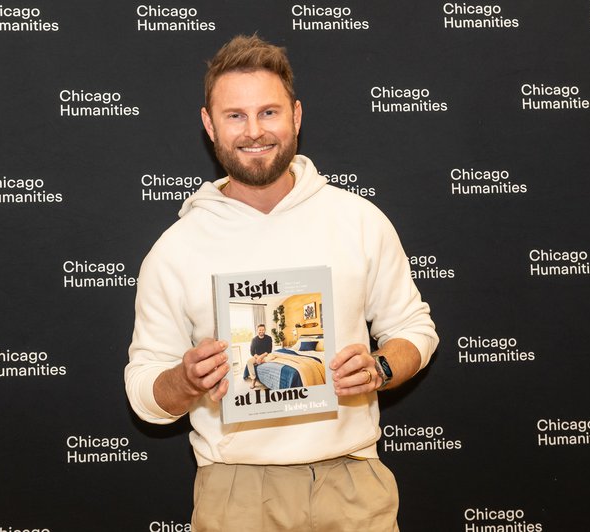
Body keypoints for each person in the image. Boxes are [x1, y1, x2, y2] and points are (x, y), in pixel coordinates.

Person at [125, 34, 438, 532]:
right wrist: (185, 381)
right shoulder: (175, 248)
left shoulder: (358, 220)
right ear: (209, 125)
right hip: (234, 493)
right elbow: (144, 392)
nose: (254, 131)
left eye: (268, 112)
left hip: (352, 483)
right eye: (235, 116)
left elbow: (416, 330)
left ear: (296, 115)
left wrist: (380, 366)